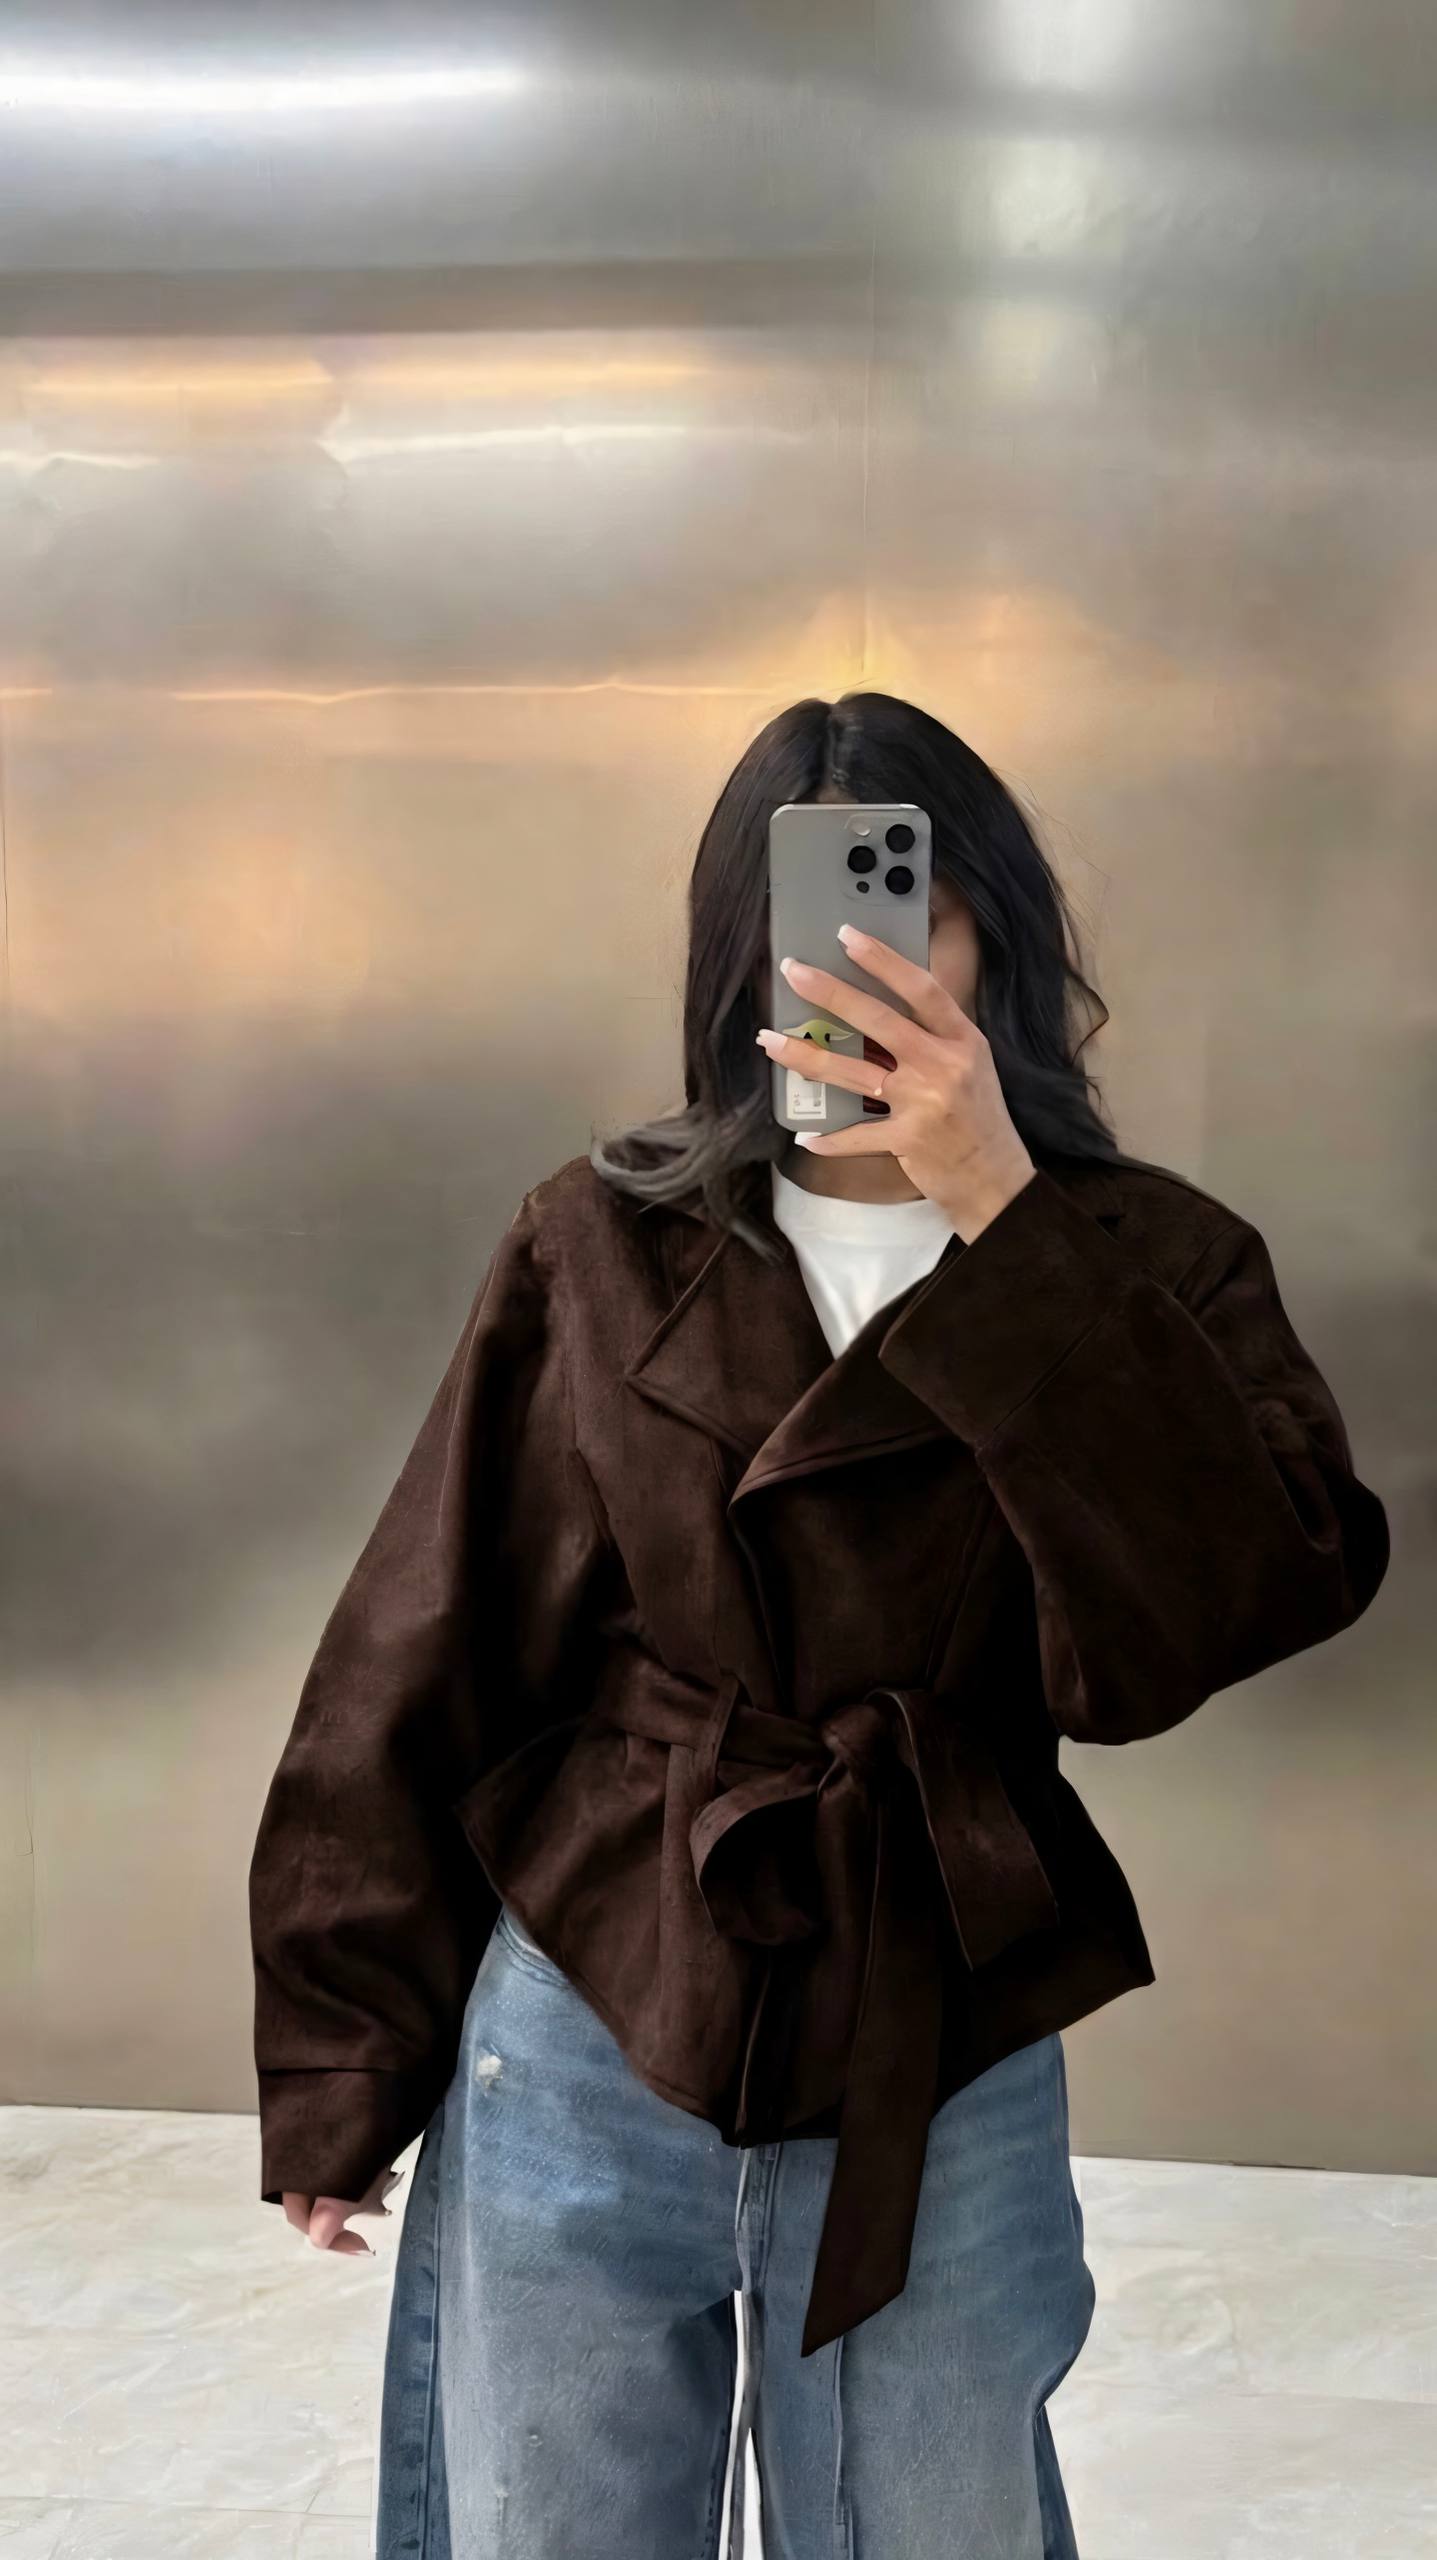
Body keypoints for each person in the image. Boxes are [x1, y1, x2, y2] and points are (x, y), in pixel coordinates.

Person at [247, 691, 1390, 2560]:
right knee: (549, 2529)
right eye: (820, 910)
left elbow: (1216, 1613)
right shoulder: (600, 1238)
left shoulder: (1149, 1260)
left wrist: (1001, 1212)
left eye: (907, 901)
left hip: (939, 2010)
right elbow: (429, 1631)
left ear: (992, 927)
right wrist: (343, 2042)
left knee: (935, 2522)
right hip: (597, 1994)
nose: (864, 959)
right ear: (741, 949)